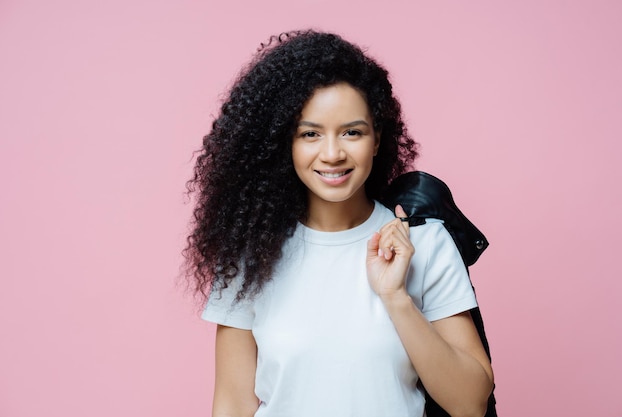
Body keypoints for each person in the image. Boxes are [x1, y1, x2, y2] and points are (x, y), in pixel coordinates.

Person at [184, 30, 494, 417]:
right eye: (310, 134)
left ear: (377, 140)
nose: (332, 153)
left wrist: (396, 298)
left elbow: (470, 404)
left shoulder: (426, 244)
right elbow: (232, 404)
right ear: (286, 144)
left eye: (352, 132)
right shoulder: (250, 256)